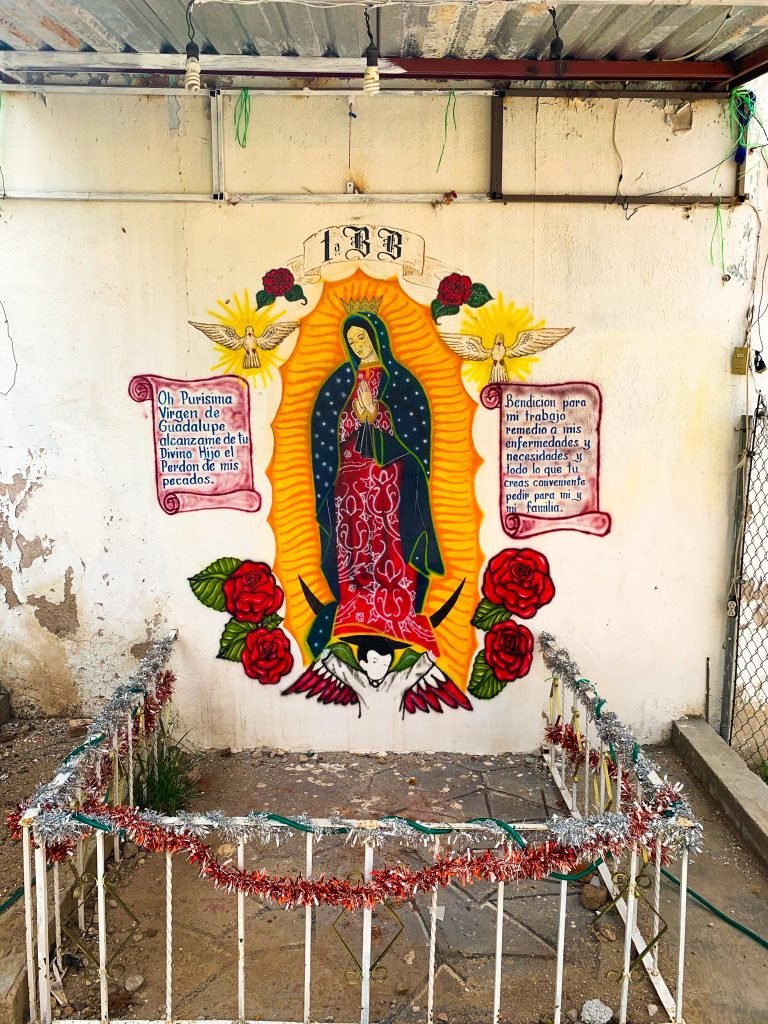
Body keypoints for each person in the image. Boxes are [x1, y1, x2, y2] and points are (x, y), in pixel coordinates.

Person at [307, 301, 444, 657]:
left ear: (376, 337)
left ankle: (393, 600)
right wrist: (353, 419)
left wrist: (377, 415)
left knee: (387, 532)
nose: (357, 345)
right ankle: (355, 599)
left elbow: (412, 433)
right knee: (351, 532)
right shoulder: (342, 383)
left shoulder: (399, 381)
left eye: (362, 337)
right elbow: (331, 430)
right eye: (351, 340)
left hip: (388, 471)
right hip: (350, 473)